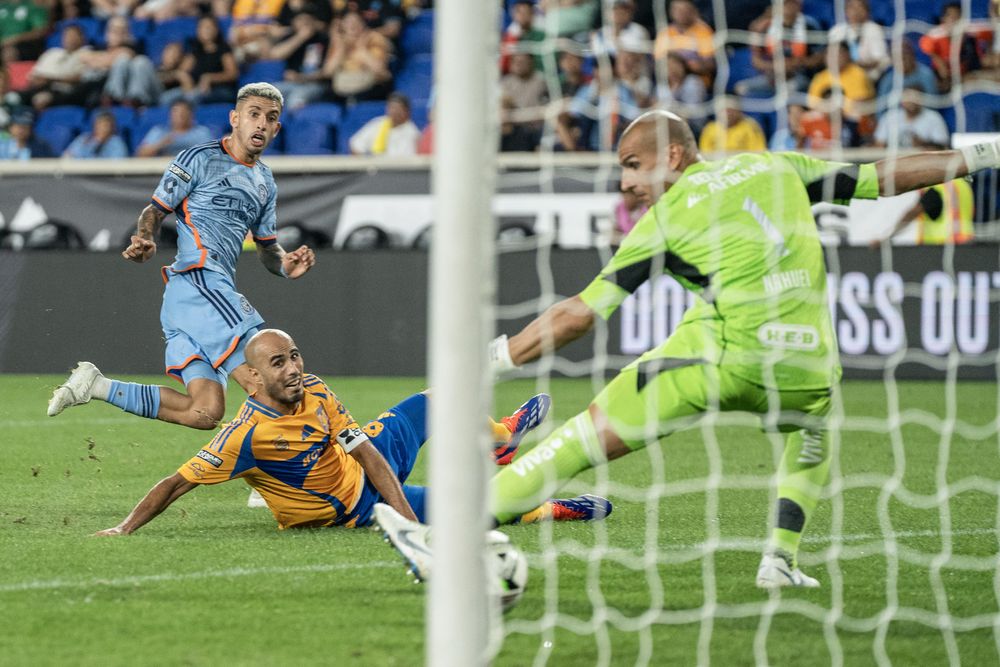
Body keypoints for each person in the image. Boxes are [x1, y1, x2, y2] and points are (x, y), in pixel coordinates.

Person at [451, 111, 1000, 589]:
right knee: (811, 432)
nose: (624, 183)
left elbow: (582, 315)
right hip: (807, 373)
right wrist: (985, 152)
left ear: (671, 155)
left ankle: (451, 537)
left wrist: (495, 359)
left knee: (583, 437)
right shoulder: (778, 166)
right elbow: (883, 177)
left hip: (724, 365)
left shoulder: (663, 220)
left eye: (632, 165)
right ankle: (781, 559)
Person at [93, 329, 612, 534]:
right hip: (351, 509)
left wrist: (405, 519)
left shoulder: (315, 389)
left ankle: (501, 438)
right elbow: (174, 482)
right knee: (474, 507)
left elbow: (363, 450)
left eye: (295, 355)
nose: (294, 367)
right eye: (279, 363)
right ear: (254, 378)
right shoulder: (243, 438)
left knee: (436, 398)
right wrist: (124, 528)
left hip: (360, 469)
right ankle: (551, 508)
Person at [47, 83, 317, 432]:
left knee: (203, 411)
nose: (261, 124)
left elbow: (267, 248)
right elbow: (155, 211)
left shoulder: (265, 181)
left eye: (271, 118)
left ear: (278, 128)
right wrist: (144, 238)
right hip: (199, 282)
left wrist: (284, 264)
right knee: (266, 381)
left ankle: (95, 385)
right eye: (254, 115)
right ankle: (270, 482)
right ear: (235, 118)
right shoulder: (198, 158)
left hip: (191, 298)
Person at [870, 178, 974, 247]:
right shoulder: (962, 185)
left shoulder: (937, 186)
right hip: (966, 244)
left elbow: (912, 213)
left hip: (941, 247)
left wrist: (887, 238)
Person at [872, 86, 950, 150]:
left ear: (922, 99)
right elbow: (879, 144)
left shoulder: (933, 117)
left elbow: (943, 146)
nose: (911, 101)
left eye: (915, 97)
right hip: (893, 161)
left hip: (923, 162)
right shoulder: (890, 116)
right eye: (908, 97)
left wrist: (923, 144)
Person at [135, 98, 214, 158]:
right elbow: (140, 154)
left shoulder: (202, 132)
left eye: (183, 113)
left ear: (191, 115)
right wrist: (160, 144)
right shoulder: (159, 131)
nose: (180, 116)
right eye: (176, 112)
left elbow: (212, 156)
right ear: (170, 115)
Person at [348, 92, 420, 156]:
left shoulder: (412, 133)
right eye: (391, 107)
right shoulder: (377, 123)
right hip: (373, 168)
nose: (394, 112)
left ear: (407, 112)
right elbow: (355, 145)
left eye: (398, 108)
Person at [698, 98, 767, 153]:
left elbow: (758, 151)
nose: (728, 114)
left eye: (730, 111)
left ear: (738, 112)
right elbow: (705, 152)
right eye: (724, 111)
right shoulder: (710, 128)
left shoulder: (750, 127)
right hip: (716, 165)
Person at [63, 110, 130, 159]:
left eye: (105, 125)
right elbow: (68, 156)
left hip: (106, 176)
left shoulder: (116, 142)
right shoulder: (83, 138)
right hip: (80, 174)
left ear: (112, 127)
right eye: (99, 124)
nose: (102, 128)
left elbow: (118, 163)